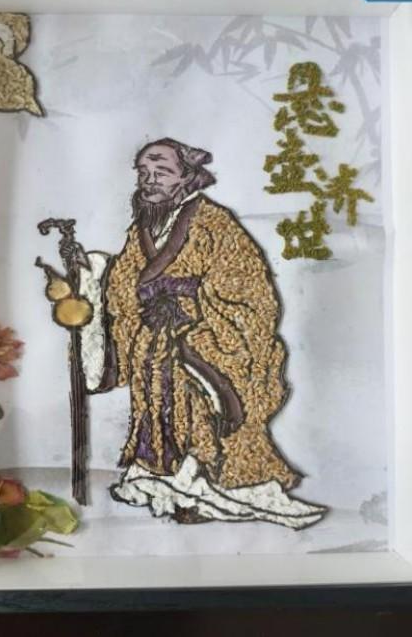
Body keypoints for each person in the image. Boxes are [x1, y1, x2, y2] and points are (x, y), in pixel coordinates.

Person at [46, 138, 326, 527]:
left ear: (186, 177)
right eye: (144, 173)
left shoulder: (215, 222)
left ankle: (204, 494)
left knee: (202, 423)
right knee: (158, 420)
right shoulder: (143, 228)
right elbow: (124, 282)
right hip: (153, 348)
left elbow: (245, 286)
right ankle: (170, 491)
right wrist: (89, 271)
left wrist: (189, 314)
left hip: (197, 344)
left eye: (161, 172)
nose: (150, 181)